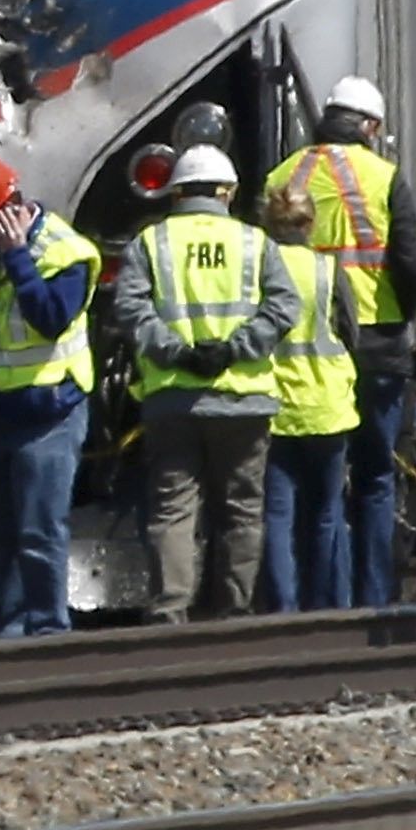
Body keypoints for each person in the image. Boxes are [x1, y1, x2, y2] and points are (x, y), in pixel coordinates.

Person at [109, 144, 299, 623]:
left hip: (174, 399)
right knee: (241, 510)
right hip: (243, 399)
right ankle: (233, 609)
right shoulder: (257, 244)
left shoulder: (149, 244)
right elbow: (283, 309)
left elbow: (130, 311)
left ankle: (171, 609)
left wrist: (179, 353)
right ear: (227, 192)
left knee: (173, 511)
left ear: (175, 194)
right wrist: (234, 349)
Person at [264, 75, 416, 608]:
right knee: (377, 478)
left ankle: (316, 606)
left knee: (315, 490)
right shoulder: (383, 176)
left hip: (303, 355)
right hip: (377, 347)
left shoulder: (283, 175)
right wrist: (397, 317)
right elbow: (412, 263)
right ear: (371, 127)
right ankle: (374, 598)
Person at [0, 153, 101, 637]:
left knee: (40, 527)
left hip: (50, 408)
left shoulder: (65, 252)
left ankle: (49, 627)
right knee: (2, 529)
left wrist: (16, 257)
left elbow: (52, 316)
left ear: (5, 212)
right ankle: (14, 620)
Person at [256, 182, 359, 612]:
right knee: (325, 514)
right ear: (310, 223)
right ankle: (322, 606)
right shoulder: (327, 270)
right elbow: (351, 333)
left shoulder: (258, 267)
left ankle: (283, 609)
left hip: (274, 406)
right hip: (327, 408)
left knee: (277, 515)